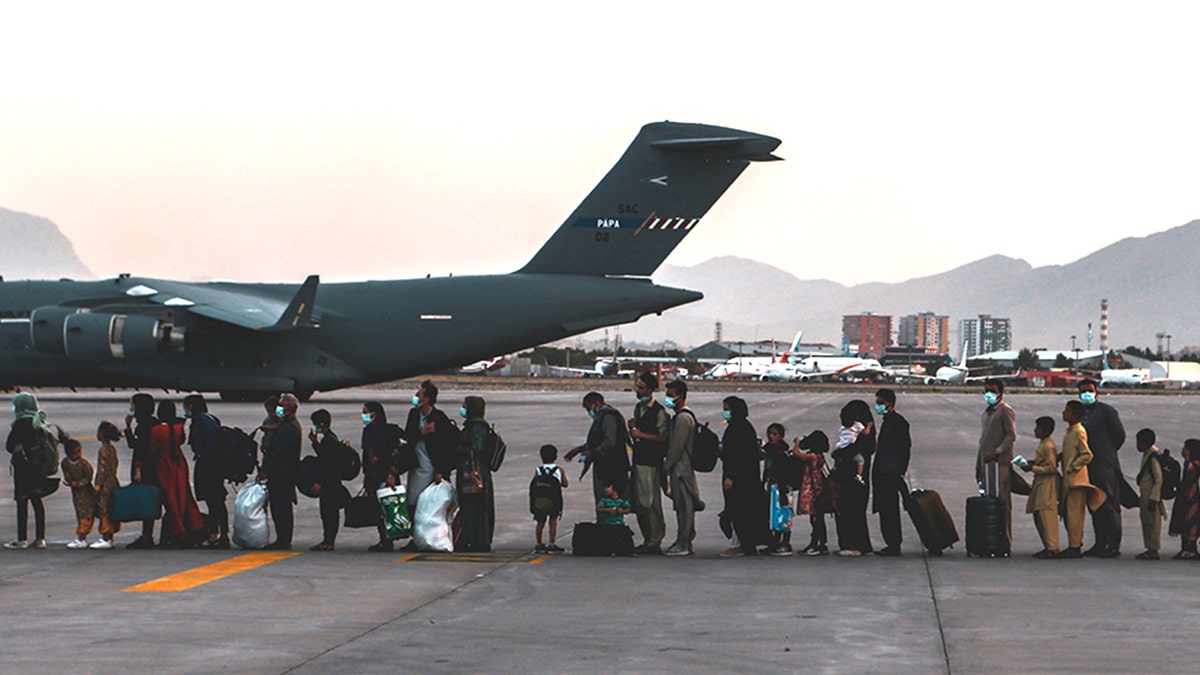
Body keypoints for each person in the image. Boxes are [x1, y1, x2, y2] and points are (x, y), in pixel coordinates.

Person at [1077, 379, 1126, 558]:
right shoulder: (1082, 413)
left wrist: (1107, 453)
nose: (1086, 394)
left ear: (1096, 391)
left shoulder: (1106, 411)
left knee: (1109, 504)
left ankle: (1113, 544)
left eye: (1089, 390)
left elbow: (1119, 435)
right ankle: (1100, 542)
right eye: (1083, 391)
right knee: (1095, 504)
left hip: (1104, 464)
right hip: (1088, 465)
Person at [151, 400, 206, 548]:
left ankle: (176, 531)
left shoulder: (156, 430)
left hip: (164, 465)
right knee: (183, 496)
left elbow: (153, 449)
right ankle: (193, 528)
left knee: (171, 499)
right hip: (179, 463)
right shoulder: (178, 428)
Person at [1056, 400, 1106, 559]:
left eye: (1068, 411)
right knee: (1068, 514)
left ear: (1076, 415)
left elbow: (1087, 454)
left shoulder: (1079, 431)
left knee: (1075, 515)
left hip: (1076, 480)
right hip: (1069, 480)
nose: (1064, 413)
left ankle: (1075, 546)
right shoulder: (1070, 431)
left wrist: (1072, 466)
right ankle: (1073, 544)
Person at [719, 396, 768, 557]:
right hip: (744, 477)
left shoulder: (739, 428)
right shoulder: (741, 427)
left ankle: (741, 544)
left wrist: (731, 476)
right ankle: (744, 542)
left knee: (739, 510)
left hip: (740, 479)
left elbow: (738, 456)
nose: (725, 412)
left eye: (727, 409)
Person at [565, 392, 630, 513]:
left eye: (588, 408)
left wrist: (593, 454)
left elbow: (609, 442)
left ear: (596, 403)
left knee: (606, 504)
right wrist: (580, 449)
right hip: (607, 466)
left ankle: (607, 529)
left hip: (609, 468)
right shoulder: (604, 416)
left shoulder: (607, 417)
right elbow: (598, 441)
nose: (589, 411)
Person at [5, 393, 55, 550]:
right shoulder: (39, 422)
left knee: (22, 501)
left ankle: (22, 539)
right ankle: (40, 538)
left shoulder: (20, 424)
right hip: (38, 468)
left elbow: (9, 445)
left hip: (23, 468)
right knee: (37, 501)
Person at [628, 371, 669, 555]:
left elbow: (663, 437)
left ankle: (655, 539)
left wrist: (641, 434)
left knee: (649, 502)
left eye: (641, 387)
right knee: (640, 503)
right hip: (639, 459)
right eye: (637, 386)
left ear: (650, 390)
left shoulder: (659, 411)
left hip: (651, 461)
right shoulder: (639, 408)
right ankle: (648, 538)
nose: (637, 390)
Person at [403, 380, 456, 522]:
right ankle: (416, 538)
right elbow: (408, 437)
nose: (415, 397)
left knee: (430, 505)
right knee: (413, 502)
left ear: (426, 399)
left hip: (432, 467)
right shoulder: (414, 414)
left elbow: (445, 448)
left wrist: (441, 471)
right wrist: (422, 432)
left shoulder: (439, 418)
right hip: (417, 466)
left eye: (418, 395)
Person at [663, 379, 703, 556]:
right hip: (681, 468)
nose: (668, 399)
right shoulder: (681, 417)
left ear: (681, 396)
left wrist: (667, 466)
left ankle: (683, 542)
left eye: (671, 396)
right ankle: (685, 540)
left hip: (681, 469)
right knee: (682, 507)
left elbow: (676, 447)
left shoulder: (683, 418)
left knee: (684, 507)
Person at [183, 394, 229, 549]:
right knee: (217, 501)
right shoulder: (211, 418)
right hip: (216, 464)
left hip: (209, 464)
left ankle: (217, 534)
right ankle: (221, 533)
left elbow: (206, 445)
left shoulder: (200, 421)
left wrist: (205, 458)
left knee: (213, 501)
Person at [976, 378, 1015, 552]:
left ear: (1000, 392)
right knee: (990, 505)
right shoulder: (986, 413)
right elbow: (983, 442)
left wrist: (998, 452)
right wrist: (978, 465)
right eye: (986, 390)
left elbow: (1011, 435)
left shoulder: (1004, 411)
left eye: (992, 390)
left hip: (1000, 465)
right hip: (986, 466)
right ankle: (991, 539)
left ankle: (1004, 542)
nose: (988, 394)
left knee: (1002, 504)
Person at [259, 393, 301, 550]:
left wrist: (266, 470)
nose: (278, 409)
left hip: (282, 473)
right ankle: (283, 538)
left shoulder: (290, 428)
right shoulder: (286, 424)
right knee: (280, 506)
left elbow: (280, 453)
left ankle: (283, 539)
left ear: (289, 409)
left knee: (281, 507)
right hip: (282, 472)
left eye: (281, 406)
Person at [832, 400, 875, 556]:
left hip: (851, 479)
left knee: (850, 510)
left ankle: (852, 545)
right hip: (859, 478)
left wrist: (839, 454)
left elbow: (847, 451)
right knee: (855, 512)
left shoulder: (859, 437)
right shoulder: (863, 434)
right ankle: (860, 544)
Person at [872, 388, 911, 557]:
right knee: (885, 509)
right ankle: (891, 542)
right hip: (884, 472)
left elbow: (905, 449)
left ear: (890, 403)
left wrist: (900, 470)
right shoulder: (888, 421)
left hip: (890, 473)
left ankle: (894, 543)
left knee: (890, 509)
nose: (878, 406)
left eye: (881, 403)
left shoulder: (897, 422)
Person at [455, 396, 495, 552]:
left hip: (475, 474)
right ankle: (470, 538)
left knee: (475, 507)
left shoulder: (477, 427)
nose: (463, 408)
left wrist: (458, 449)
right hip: (472, 472)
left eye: (465, 405)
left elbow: (477, 449)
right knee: (470, 506)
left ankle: (477, 540)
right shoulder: (472, 426)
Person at [362, 400, 403, 552]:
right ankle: (384, 538)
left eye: (366, 412)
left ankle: (388, 539)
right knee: (377, 509)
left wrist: (391, 474)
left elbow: (393, 454)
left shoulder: (387, 432)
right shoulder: (368, 431)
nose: (364, 415)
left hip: (385, 475)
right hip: (373, 476)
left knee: (387, 507)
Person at [1019, 416, 1060, 559]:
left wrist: (1033, 468)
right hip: (1040, 483)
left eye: (1037, 428)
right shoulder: (1043, 444)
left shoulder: (1048, 446)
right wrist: (1032, 464)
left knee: (1046, 516)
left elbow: (1052, 468)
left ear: (1044, 431)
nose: (1035, 431)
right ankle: (1047, 545)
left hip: (1046, 484)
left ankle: (1053, 547)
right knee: (1038, 514)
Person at [308, 408, 349, 551]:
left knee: (328, 513)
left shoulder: (329, 441)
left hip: (329, 483)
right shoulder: (330, 438)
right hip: (332, 482)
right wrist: (314, 443)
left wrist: (321, 483)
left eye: (315, 424)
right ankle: (328, 540)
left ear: (321, 424)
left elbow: (326, 464)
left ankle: (328, 541)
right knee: (329, 513)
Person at [124, 393, 159, 549]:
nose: (131, 409)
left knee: (147, 501)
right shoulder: (154, 423)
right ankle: (148, 534)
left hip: (145, 467)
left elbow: (138, 448)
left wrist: (138, 469)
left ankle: (146, 536)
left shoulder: (143, 426)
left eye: (133, 406)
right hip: (155, 466)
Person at [795, 431, 830, 556]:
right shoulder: (819, 456)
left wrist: (797, 442)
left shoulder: (813, 456)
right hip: (818, 489)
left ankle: (820, 544)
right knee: (816, 518)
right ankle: (816, 542)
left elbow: (797, 454)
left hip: (815, 490)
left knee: (816, 519)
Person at [762, 422, 794, 555]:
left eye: (774, 434)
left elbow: (784, 470)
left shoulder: (782, 452)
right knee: (772, 514)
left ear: (781, 436)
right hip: (772, 485)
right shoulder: (768, 450)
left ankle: (785, 542)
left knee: (784, 514)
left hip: (783, 486)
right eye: (770, 434)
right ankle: (774, 541)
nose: (771, 436)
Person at [1134, 428, 1165, 560]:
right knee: (1147, 521)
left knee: (1153, 523)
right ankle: (1150, 548)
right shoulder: (1148, 453)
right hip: (1145, 494)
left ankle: (1153, 550)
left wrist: (1154, 498)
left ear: (1143, 443)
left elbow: (1159, 479)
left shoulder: (1153, 456)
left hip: (1150, 495)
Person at [90, 422, 122, 550]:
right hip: (113, 480)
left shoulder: (103, 450)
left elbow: (101, 470)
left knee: (103, 509)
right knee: (110, 508)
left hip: (105, 484)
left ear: (101, 434)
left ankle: (106, 536)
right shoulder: (112, 449)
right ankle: (110, 535)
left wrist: (98, 486)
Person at [61, 438, 97, 549]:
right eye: (74, 453)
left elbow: (88, 477)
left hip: (86, 492)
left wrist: (77, 483)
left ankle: (82, 536)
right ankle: (82, 536)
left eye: (79, 452)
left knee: (86, 515)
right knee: (79, 513)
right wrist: (69, 480)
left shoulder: (84, 464)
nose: (77, 455)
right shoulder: (65, 462)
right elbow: (66, 472)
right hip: (76, 494)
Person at [1167, 438, 1200, 559]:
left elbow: (1189, 469)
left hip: (1191, 497)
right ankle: (1185, 547)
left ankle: (1191, 548)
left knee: (1190, 521)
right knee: (1182, 521)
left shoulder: (1195, 464)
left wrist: (1186, 458)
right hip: (1184, 496)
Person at [532, 444, 568, 553]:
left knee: (540, 522)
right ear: (555, 457)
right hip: (554, 500)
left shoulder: (538, 469)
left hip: (540, 500)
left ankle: (539, 542)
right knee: (553, 521)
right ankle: (551, 543)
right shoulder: (559, 470)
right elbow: (565, 484)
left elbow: (534, 483)